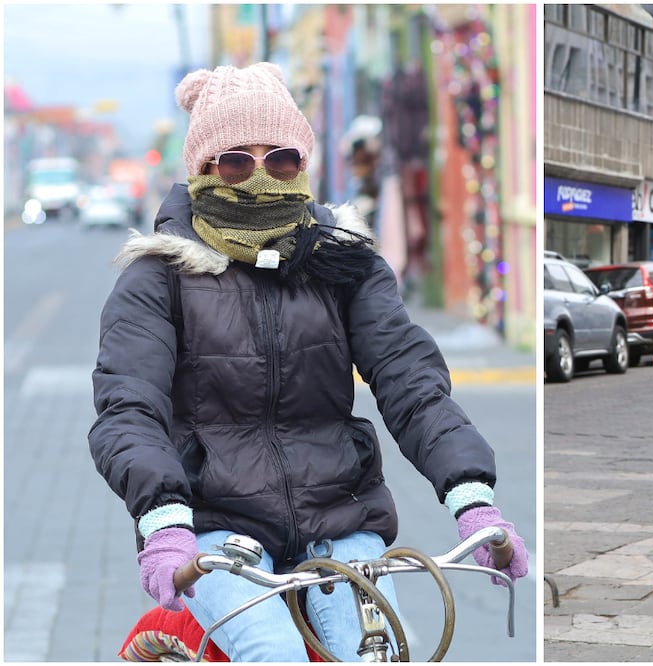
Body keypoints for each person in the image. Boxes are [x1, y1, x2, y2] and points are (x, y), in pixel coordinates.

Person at [88, 62, 527, 661]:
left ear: (303, 163)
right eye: (236, 162)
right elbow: (127, 408)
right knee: (274, 653)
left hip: (341, 520)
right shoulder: (157, 277)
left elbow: (409, 381)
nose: (260, 176)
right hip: (218, 526)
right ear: (203, 168)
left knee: (375, 653)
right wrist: (164, 521)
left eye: (281, 159)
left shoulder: (345, 263)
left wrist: (473, 499)